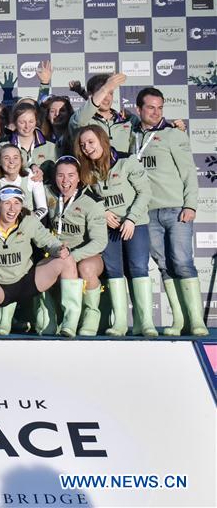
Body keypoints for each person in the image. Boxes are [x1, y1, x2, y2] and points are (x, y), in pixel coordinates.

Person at [0, 186, 82, 337]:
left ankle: (70, 323)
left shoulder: (29, 221)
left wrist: (59, 249)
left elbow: (49, 241)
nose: (12, 208)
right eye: (7, 203)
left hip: (27, 280)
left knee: (66, 259)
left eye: (17, 203)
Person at [131, 87, 207, 336]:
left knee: (183, 263)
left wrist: (190, 205)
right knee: (164, 266)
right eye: (150, 107)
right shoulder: (131, 136)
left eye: (160, 107)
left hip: (176, 210)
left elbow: (189, 175)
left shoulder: (173, 135)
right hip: (147, 213)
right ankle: (179, 321)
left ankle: (197, 321)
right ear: (138, 109)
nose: (156, 112)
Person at [75, 125, 156, 337]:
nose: (87, 148)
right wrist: (102, 212)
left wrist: (131, 219)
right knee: (113, 270)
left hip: (134, 224)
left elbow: (145, 192)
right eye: (83, 145)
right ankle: (120, 323)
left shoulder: (126, 161)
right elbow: (86, 198)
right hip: (108, 227)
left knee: (138, 268)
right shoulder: (86, 169)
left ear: (102, 140)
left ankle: (145, 323)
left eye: (91, 142)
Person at [43, 156, 107, 336]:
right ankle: (50, 318)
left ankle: (91, 315)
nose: (65, 181)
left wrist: (73, 256)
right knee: (40, 266)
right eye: (60, 175)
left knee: (85, 268)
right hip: (57, 252)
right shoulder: (47, 193)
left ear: (79, 177)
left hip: (86, 255)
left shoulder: (92, 201)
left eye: (71, 175)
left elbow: (100, 241)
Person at [0, 100, 58, 178]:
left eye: (31, 122)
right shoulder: (2, 145)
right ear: (15, 123)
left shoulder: (51, 147)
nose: (27, 126)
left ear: (36, 121)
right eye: (22, 122)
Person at [0, 144, 48, 219]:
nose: (11, 161)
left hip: (28, 224)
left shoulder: (32, 176)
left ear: (21, 161)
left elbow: (42, 208)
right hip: (4, 225)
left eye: (15, 158)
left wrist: (28, 221)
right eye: (6, 158)